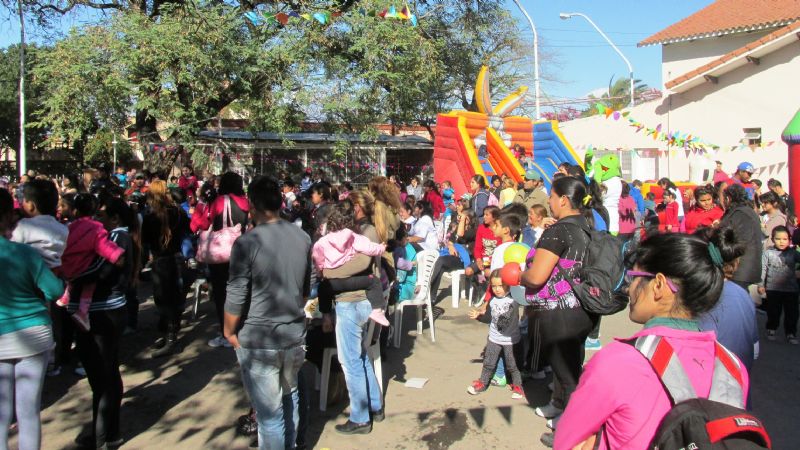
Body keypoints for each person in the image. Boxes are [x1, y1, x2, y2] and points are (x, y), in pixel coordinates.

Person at [552, 232, 747, 450]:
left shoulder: (618, 362)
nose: (629, 288)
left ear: (658, 285)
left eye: (633, 277)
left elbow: (566, 442)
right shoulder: (732, 367)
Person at [224, 176, 311, 450]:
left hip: (261, 339)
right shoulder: (302, 236)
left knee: (270, 415)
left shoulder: (247, 242)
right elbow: (306, 288)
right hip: (293, 335)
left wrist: (229, 331)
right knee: (290, 397)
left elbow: (236, 293)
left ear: (252, 205)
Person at [518, 177, 601, 439]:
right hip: (583, 310)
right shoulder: (585, 227)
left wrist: (520, 275)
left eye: (551, 198)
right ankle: (559, 405)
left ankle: (573, 429)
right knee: (570, 364)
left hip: (559, 311)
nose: (549, 202)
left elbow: (536, 276)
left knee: (567, 374)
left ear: (563, 200)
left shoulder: (558, 231)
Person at [0, 188, 64, 450]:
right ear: (8, 216)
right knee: (27, 413)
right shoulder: (25, 254)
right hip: (33, 335)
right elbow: (55, 290)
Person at [73, 197, 138, 449]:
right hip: (108, 309)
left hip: (105, 311)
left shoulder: (116, 239)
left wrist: (72, 275)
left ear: (115, 219)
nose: (97, 220)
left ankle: (103, 435)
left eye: (102, 215)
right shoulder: (118, 236)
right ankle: (108, 432)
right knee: (106, 374)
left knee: (103, 375)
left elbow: (103, 271)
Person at [319, 190, 385, 436]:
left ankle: (360, 417)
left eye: (351, 205)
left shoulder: (367, 232)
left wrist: (328, 272)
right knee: (359, 356)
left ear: (360, 207)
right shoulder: (351, 232)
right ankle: (374, 405)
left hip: (353, 301)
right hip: (356, 300)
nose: (349, 209)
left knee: (350, 362)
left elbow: (362, 263)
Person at [190, 172, 249, 349]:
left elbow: (205, 223)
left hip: (222, 253)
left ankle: (226, 332)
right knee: (241, 290)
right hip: (243, 249)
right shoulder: (245, 201)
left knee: (222, 293)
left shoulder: (220, 201)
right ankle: (240, 329)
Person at [57, 194, 126, 331]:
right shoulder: (96, 229)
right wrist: (116, 255)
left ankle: (66, 297)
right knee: (89, 287)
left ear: (75, 211)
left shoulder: (69, 227)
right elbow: (103, 245)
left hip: (68, 266)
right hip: (83, 268)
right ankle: (82, 313)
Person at [313, 201, 388, 326]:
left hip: (332, 282)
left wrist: (321, 272)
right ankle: (377, 310)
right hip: (351, 280)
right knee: (374, 281)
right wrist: (381, 248)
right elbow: (369, 247)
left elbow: (318, 259)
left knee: (322, 288)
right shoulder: (353, 236)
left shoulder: (322, 242)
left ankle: (326, 317)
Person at [695, 226, 758, 373]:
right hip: (740, 385)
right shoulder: (743, 295)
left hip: (712, 389)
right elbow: (755, 350)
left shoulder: (706, 297)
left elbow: (698, 357)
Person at [141, 180, 191, 357]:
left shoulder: (152, 216)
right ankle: (169, 333)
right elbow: (188, 228)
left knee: (164, 299)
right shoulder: (176, 212)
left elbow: (145, 239)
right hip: (176, 258)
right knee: (172, 297)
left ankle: (170, 337)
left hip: (161, 261)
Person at [466, 270, 525, 400]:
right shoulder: (492, 300)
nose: (497, 289)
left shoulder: (514, 299)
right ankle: (482, 383)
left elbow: (526, 298)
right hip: (494, 338)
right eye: (494, 286)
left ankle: (518, 386)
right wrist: (478, 316)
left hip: (511, 340)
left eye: (500, 285)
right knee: (488, 362)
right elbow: (488, 317)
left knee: (513, 365)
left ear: (508, 285)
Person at [12, 179, 69, 270]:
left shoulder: (23, 226)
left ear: (31, 206)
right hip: (55, 274)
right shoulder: (63, 229)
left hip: (30, 274)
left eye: (24, 201)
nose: (21, 204)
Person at [758, 226, 799, 344]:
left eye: (785, 239)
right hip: (773, 288)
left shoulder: (793, 253)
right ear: (772, 239)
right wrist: (761, 284)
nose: (782, 242)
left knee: (792, 312)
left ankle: (791, 333)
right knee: (773, 311)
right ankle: (771, 328)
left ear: (790, 239)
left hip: (791, 289)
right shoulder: (768, 253)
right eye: (778, 239)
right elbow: (763, 270)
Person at [720, 184, 763, 291]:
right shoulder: (748, 211)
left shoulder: (739, 213)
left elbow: (729, 236)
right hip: (748, 266)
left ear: (728, 198)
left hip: (741, 268)